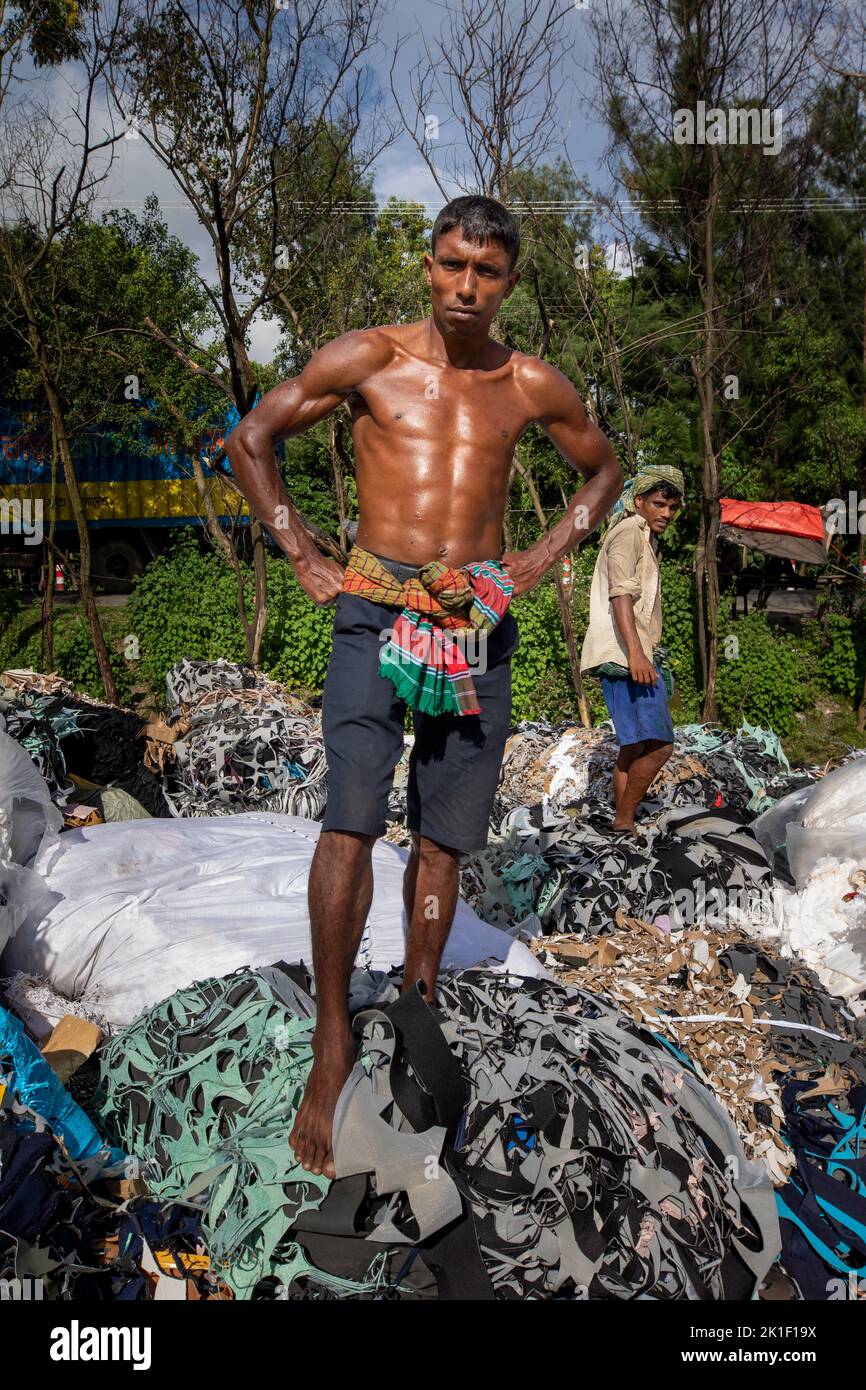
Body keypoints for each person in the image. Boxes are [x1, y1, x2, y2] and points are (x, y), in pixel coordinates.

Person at [225, 194, 623, 1178]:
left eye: (485, 273)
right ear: (429, 263)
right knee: (349, 817)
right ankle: (330, 1038)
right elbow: (249, 440)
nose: (464, 286)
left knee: (443, 836)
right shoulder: (368, 359)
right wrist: (303, 554)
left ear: (508, 282)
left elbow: (603, 471)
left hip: (471, 616)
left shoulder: (526, 383)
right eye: (451, 265)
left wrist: (536, 559)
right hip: (376, 609)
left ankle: (418, 995)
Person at [580, 465, 685, 834]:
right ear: (638, 501)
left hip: (629, 653)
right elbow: (621, 595)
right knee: (659, 746)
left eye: (671, 507)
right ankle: (624, 819)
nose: (666, 514)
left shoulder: (642, 537)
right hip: (625, 656)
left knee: (634, 745)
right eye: (658, 504)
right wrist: (638, 654)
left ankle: (622, 820)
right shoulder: (627, 533)